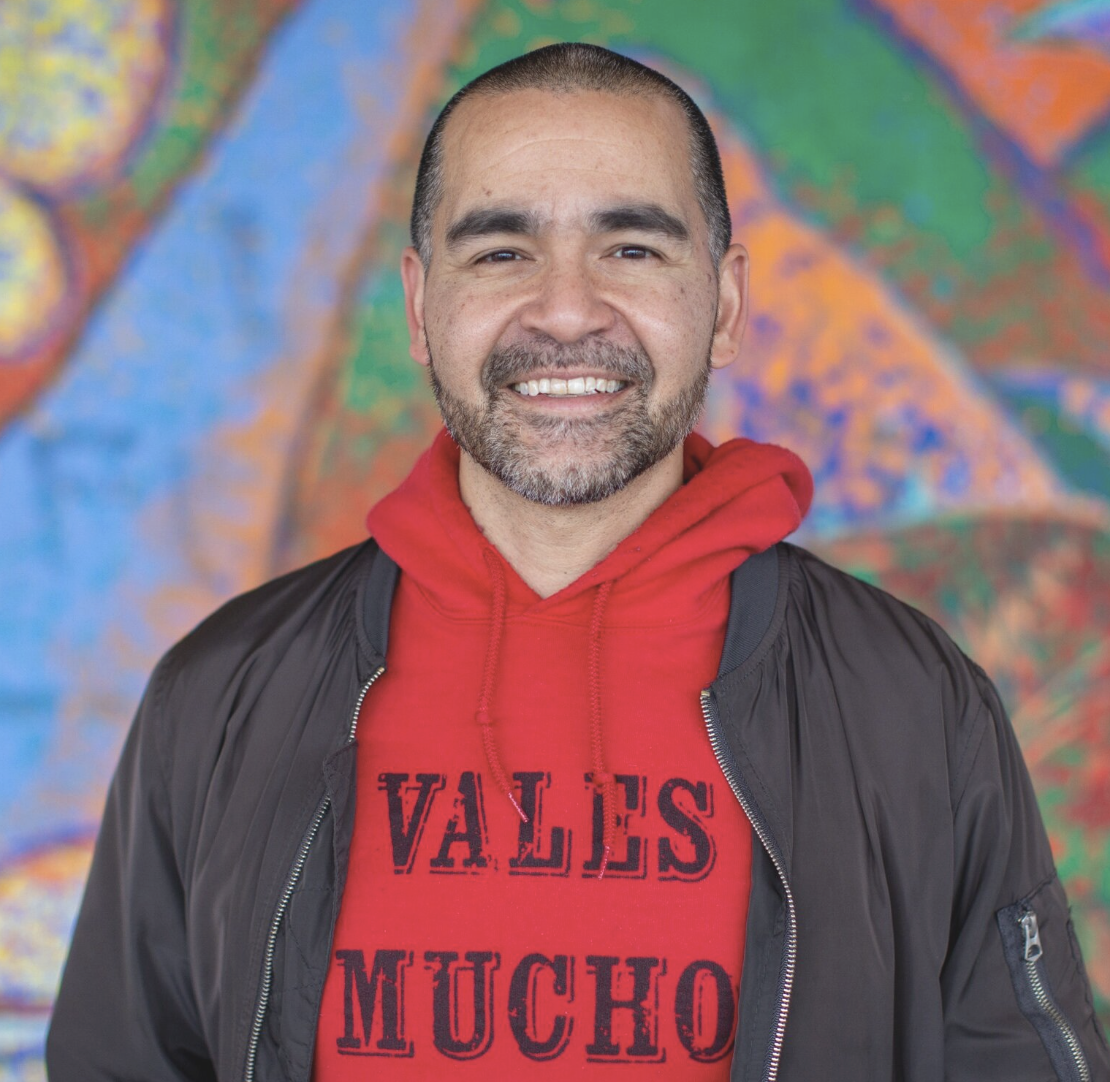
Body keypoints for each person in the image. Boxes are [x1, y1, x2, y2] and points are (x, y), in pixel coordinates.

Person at [48, 42, 1108, 1082]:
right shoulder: (225, 690)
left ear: (726, 304)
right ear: (422, 307)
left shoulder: (912, 700)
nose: (565, 309)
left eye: (632, 248)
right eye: (501, 250)